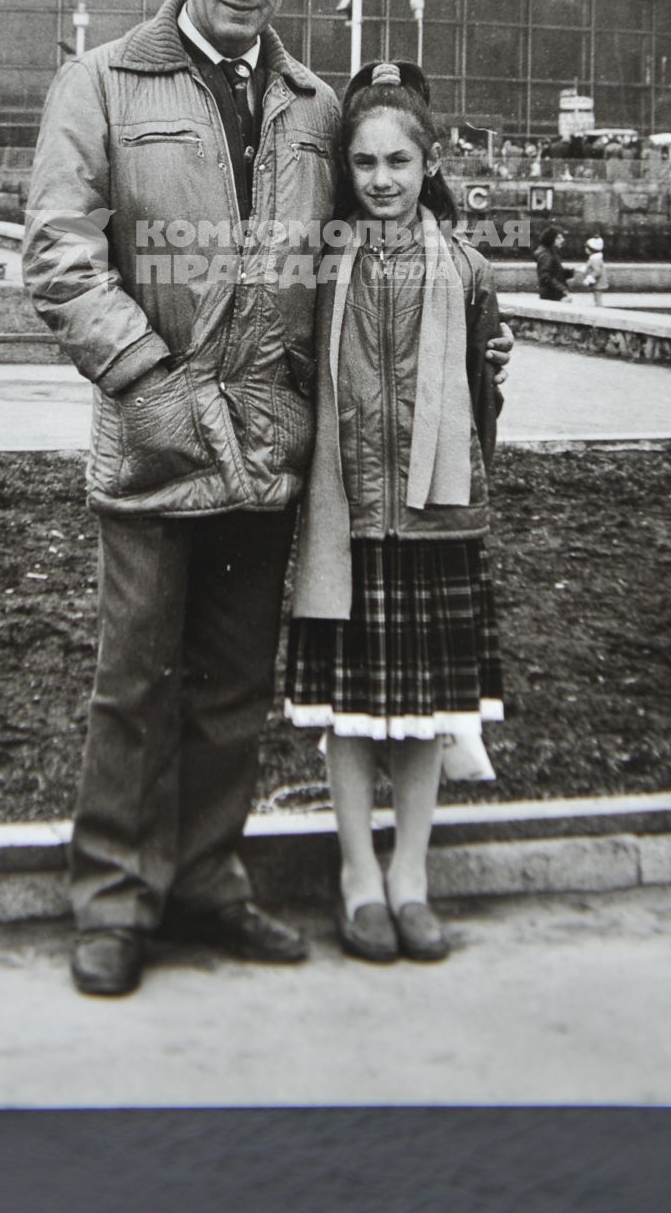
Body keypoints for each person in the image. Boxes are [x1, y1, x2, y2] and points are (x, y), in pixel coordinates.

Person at [23, 0, 341, 1000]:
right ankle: (112, 901)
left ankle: (206, 879)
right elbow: (61, 254)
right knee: (133, 683)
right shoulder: (101, 81)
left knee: (231, 684)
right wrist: (142, 380)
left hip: (267, 447)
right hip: (155, 437)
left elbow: (360, 245)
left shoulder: (315, 103)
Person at [285, 62, 506, 964]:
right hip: (343, 518)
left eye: (398, 162)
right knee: (350, 712)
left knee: (426, 715)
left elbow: (484, 404)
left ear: (429, 165)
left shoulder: (466, 267)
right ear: (347, 166)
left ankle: (410, 877)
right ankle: (356, 877)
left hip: (432, 520)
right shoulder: (320, 265)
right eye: (365, 162)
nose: (381, 179)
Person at [534, 223, 573, 299]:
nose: (562, 240)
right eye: (558, 238)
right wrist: (562, 288)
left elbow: (554, 272)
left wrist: (569, 273)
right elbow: (545, 276)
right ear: (551, 240)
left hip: (553, 293)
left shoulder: (551, 253)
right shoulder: (547, 255)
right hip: (552, 294)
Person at [580, 231, 608, 303]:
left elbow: (597, 271)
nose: (585, 249)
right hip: (597, 281)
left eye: (587, 248)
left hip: (598, 282)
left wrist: (589, 278)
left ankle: (599, 308)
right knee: (596, 296)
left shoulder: (595, 259)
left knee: (597, 296)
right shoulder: (594, 258)